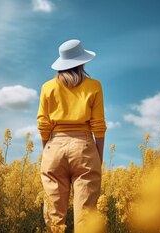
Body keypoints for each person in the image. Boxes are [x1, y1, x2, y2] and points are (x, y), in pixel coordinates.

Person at [37, 39, 107, 230]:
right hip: (84, 147)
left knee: (53, 217)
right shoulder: (94, 86)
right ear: (82, 62)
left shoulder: (47, 87)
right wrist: (97, 156)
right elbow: (98, 126)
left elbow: (43, 125)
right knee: (85, 217)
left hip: (54, 147)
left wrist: (48, 152)